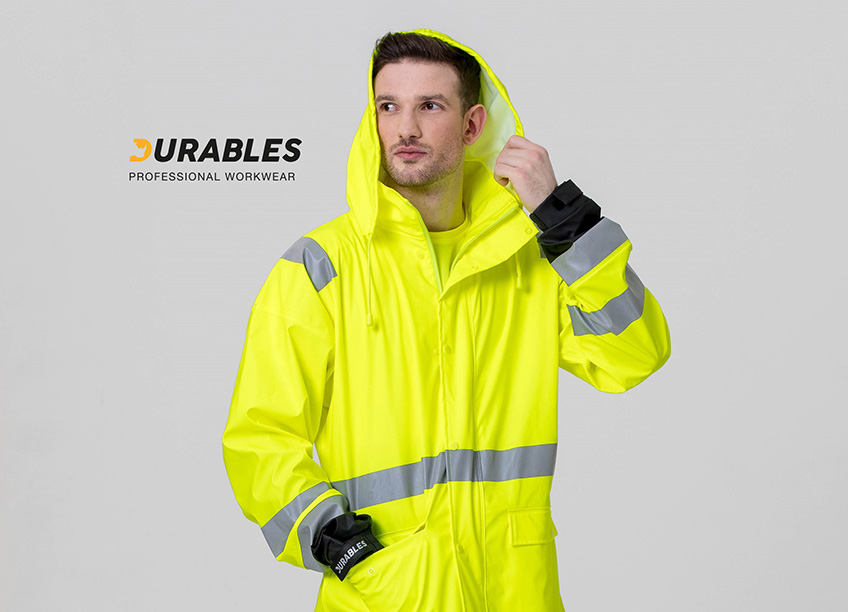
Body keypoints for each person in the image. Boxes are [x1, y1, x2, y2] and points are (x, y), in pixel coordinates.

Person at [223, 29, 670, 612]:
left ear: (472, 125)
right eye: (389, 107)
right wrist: (333, 539)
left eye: (430, 106)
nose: (405, 128)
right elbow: (260, 437)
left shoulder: (530, 259)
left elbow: (633, 354)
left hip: (515, 593)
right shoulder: (323, 266)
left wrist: (566, 221)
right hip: (386, 596)